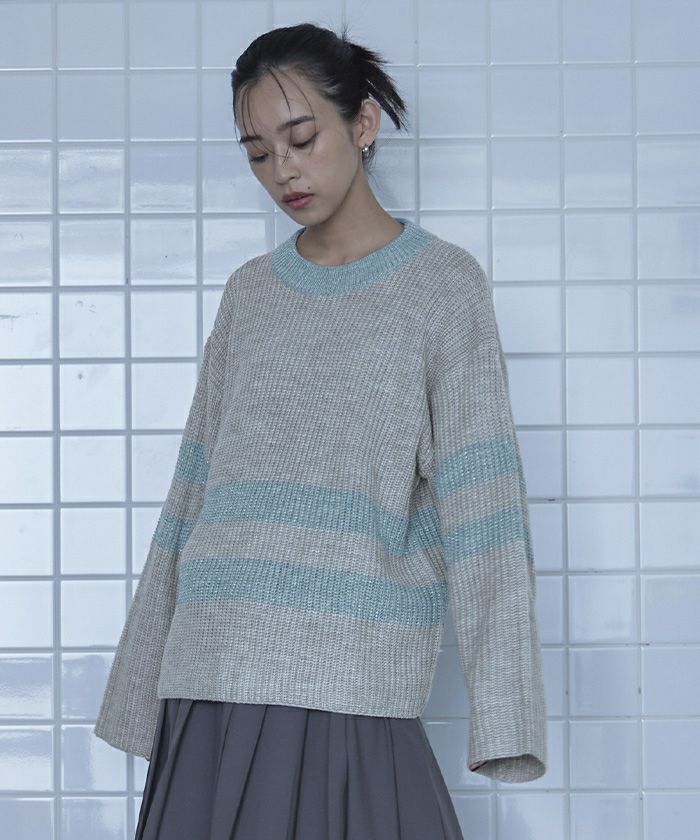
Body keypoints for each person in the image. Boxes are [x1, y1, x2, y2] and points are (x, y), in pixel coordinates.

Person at [93, 21, 547, 840]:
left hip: (350, 681)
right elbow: (192, 495)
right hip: (210, 678)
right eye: (258, 153)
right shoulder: (250, 294)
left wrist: (506, 716)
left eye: (301, 139)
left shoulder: (442, 287)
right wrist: (140, 689)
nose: (283, 171)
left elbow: (485, 515)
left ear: (363, 123)